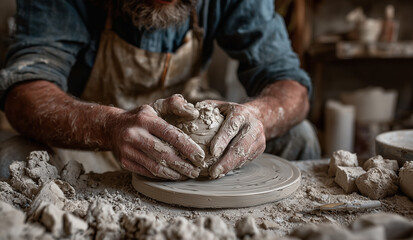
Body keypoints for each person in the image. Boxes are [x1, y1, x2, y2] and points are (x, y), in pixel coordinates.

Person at [0, 0, 320, 180]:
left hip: (188, 146)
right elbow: (24, 91)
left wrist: (257, 115)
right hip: (88, 140)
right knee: (10, 160)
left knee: (299, 135)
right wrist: (109, 126)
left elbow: (290, 84)